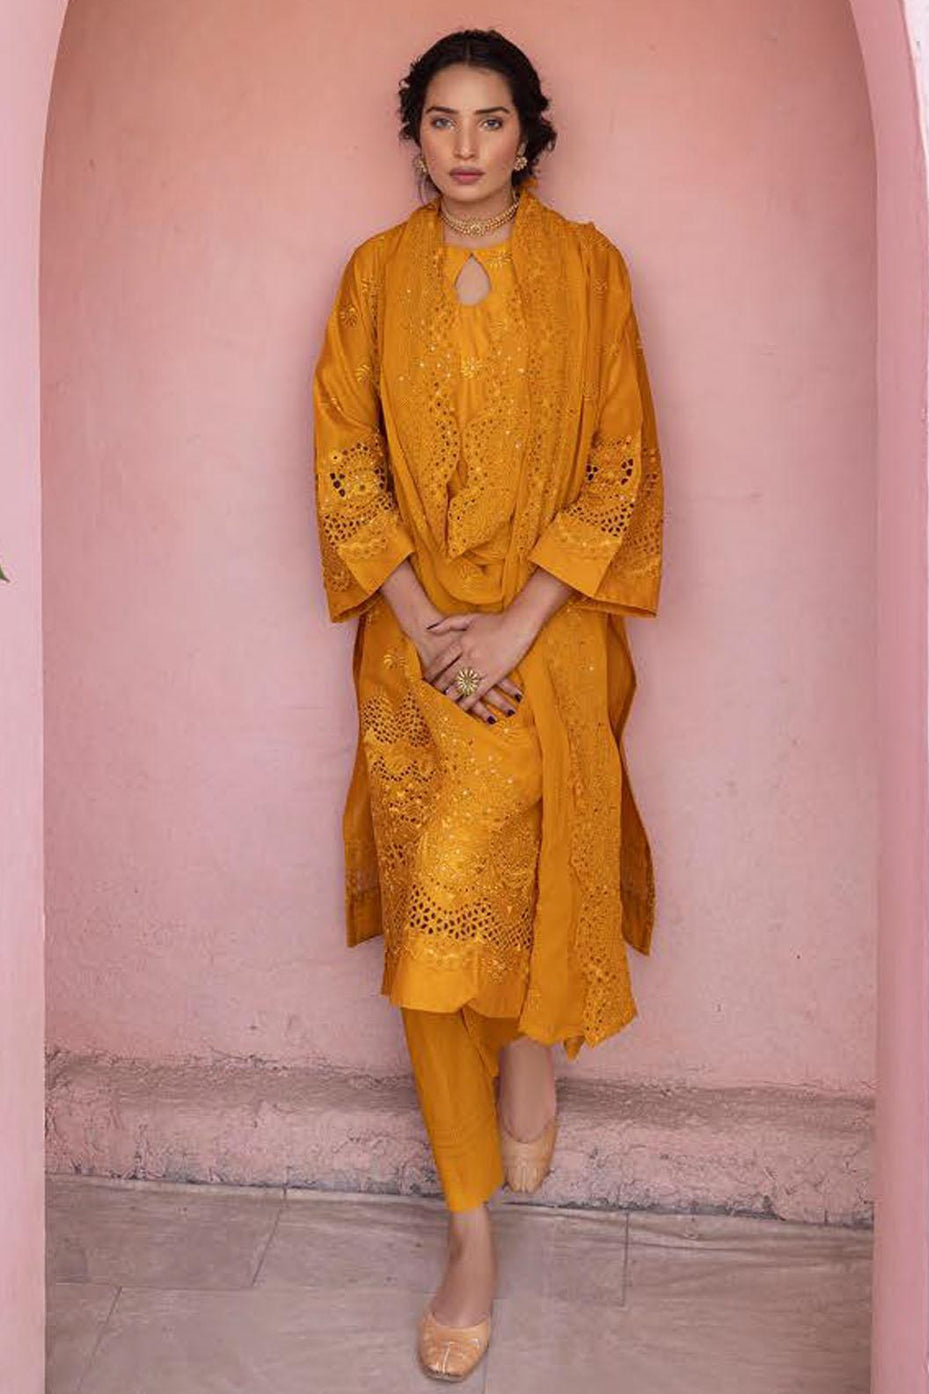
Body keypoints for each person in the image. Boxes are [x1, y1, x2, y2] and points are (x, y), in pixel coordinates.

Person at [312, 27, 664, 1381]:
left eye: (492, 119)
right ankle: (469, 1236)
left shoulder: (590, 270)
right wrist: (427, 629)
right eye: (442, 120)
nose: (465, 145)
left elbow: (623, 462)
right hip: (416, 651)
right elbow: (346, 461)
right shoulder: (373, 277)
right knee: (433, 927)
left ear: (529, 136)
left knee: (525, 879)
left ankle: (528, 1049)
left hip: (551, 635)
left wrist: (516, 624)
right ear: (415, 137)